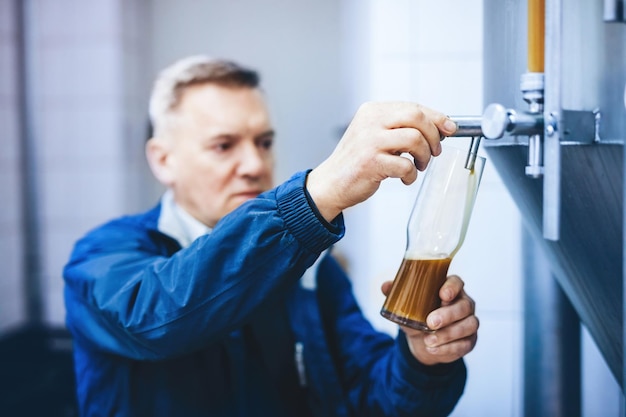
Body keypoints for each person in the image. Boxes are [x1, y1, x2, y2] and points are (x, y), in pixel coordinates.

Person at [63, 55, 479, 417]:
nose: (254, 164)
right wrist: (317, 194)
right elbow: (158, 315)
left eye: (264, 142)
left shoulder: (312, 269)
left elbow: (370, 397)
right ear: (163, 160)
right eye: (224, 146)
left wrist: (421, 361)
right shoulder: (104, 256)